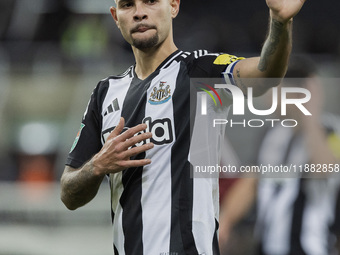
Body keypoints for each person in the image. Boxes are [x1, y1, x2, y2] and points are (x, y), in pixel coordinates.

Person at [60, 0, 306, 254]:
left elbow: (265, 76)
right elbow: (69, 193)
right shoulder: (105, 93)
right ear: (115, 16)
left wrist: (280, 21)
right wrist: (98, 164)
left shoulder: (201, 71)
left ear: (174, 6)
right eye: (127, 5)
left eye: (151, 1)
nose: (139, 12)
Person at [219, 56, 340, 255]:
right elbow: (251, 182)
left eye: (275, 87)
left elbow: (325, 167)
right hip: (267, 247)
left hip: (310, 248)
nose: (268, 96)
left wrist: (310, 112)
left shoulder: (330, 131)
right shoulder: (271, 133)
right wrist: (226, 221)